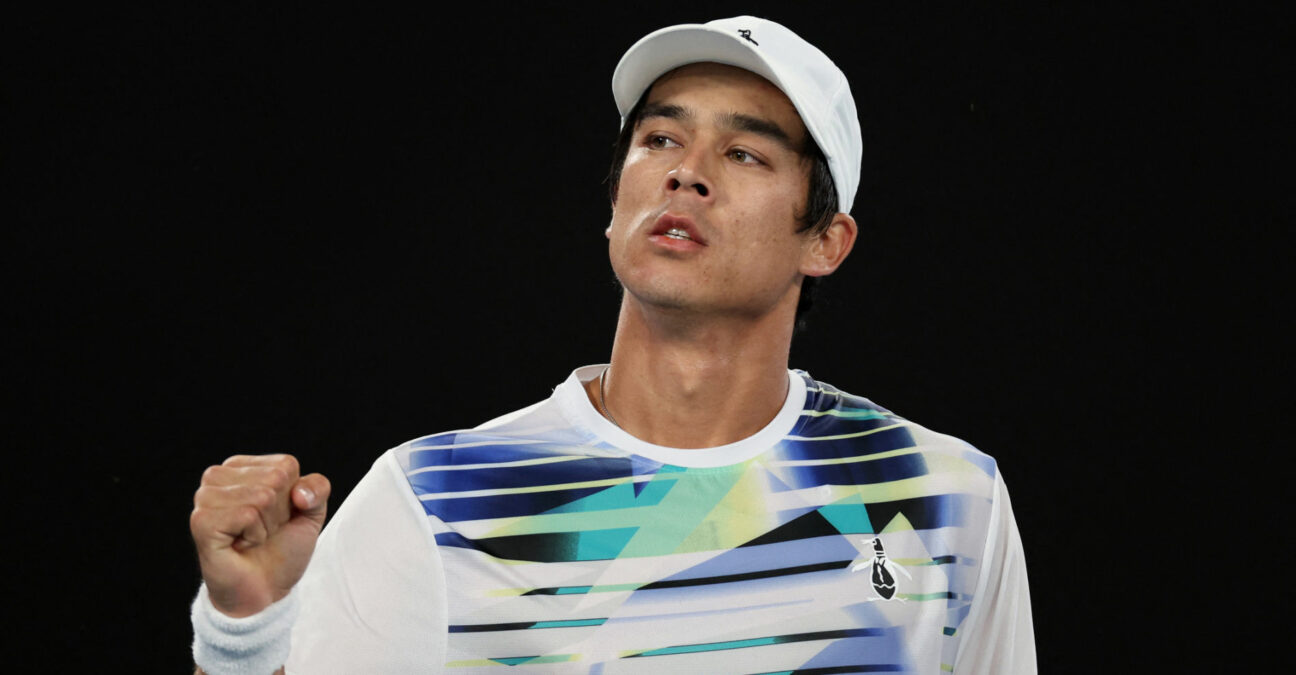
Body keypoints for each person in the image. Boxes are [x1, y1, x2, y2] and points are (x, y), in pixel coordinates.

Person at [189, 16, 1036, 674]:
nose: (686, 171)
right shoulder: (431, 498)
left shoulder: (947, 498)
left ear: (827, 242)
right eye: (660, 139)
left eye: (742, 152)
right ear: (614, 204)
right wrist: (246, 632)